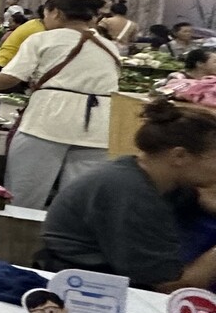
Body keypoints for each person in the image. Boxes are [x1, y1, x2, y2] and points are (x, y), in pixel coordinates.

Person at [40, 100, 216, 292]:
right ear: (179, 156)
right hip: (86, 291)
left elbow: (202, 199)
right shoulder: (130, 193)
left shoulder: (152, 177)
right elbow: (171, 287)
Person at [0, 0, 121, 209]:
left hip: (48, 122)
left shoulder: (43, 39)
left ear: (56, 13)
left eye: (45, 15)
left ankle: (17, 231)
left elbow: (11, 77)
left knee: (25, 196)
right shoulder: (109, 46)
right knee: (79, 203)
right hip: (99, 129)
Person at [0, 12, 45, 76]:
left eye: (11, 22)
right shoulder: (38, 30)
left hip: (3, 64)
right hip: (6, 66)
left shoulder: (33, 24)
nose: (9, 24)